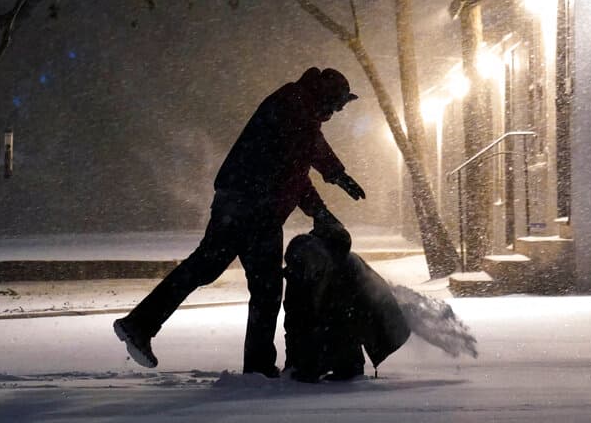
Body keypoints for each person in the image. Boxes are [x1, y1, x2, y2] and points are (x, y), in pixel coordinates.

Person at [114, 67, 366, 375]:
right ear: (327, 96)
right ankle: (255, 366)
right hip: (253, 209)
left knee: (213, 271)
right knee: (259, 287)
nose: (336, 112)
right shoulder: (295, 106)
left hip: (243, 205)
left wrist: (330, 188)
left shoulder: (298, 105)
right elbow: (300, 165)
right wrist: (331, 189)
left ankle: (141, 324)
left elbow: (297, 169)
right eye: (338, 105)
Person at [282, 223, 411, 382]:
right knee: (314, 325)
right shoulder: (300, 273)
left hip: (365, 315)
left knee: (340, 325)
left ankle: (346, 367)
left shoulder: (347, 272)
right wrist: (294, 363)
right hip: (344, 314)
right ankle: (330, 364)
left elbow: (347, 322)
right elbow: (294, 321)